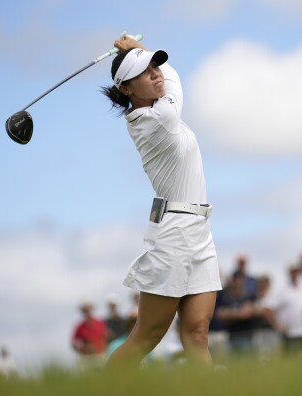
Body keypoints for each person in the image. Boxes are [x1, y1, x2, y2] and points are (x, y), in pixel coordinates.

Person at [102, 35, 222, 369]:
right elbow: (175, 81)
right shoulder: (155, 120)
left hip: (199, 230)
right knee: (147, 336)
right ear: (126, 89)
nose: (156, 74)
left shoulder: (157, 109)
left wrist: (139, 53)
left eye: (156, 67)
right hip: (173, 235)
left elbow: (167, 78)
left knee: (198, 332)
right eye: (145, 72)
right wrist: (133, 49)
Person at [72, 300, 108, 370]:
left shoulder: (100, 323)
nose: (87, 312)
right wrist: (82, 348)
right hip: (86, 357)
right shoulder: (80, 326)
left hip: (99, 355)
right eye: (85, 310)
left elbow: (105, 337)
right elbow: (74, 343)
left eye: (88, 310)